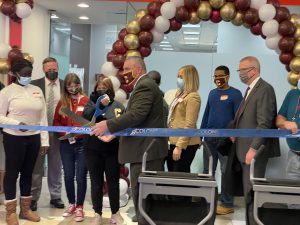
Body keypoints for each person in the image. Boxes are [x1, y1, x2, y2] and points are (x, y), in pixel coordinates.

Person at [91, 56, 168, 225]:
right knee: (145, 196)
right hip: (143, 151)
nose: (124, 73)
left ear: (139, 69)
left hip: (145, 151)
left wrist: (108, 125)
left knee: (145, 197)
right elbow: (138, 119)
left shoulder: (145, 86)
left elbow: (136, 115)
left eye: (127, 69)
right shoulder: (143, 85)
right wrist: (115, 133)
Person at [0, 58, 49, 225]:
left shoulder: (37, 90)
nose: (27, 76)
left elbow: (42, 118)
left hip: (34, 137)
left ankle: (26, 210)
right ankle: (11, 212)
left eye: (29, 73)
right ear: (15, 74)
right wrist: (16, 123)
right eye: (24, 74)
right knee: (12, 174)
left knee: (29, 173)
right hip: (13, 137)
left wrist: (44, 141)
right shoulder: (7, 92)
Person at [233, 56, 280, 225]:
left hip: (254, 153)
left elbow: (264, 123)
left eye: (241, 70)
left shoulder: (264, 89)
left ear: (252, 70)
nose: (239, 74)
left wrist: (253, 149)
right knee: (248, 195)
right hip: (242, 151)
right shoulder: (250, 90)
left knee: (253, 195)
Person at [83, 76, 126, 225]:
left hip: (112, 150)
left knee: (113, 183)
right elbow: (86, 118)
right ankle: (97, 214)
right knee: (96, 183)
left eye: (104, 87)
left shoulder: (118, 106)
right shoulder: (90, 103)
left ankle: (115, 213)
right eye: (98, 87)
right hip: (92, 149)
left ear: (110, 90)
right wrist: (98, 106)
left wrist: (114, 136)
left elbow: (123, 124)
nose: (101, 89)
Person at [200, 65, 243, 215]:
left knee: (226, 172)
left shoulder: (236, 94)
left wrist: (235, 137)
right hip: (209, 139)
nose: (218, 79)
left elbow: (238, 118)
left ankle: (227, 203)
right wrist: (201, 133)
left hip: (226, 141)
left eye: (220, 76)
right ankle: (208, 200)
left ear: (228, 76)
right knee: (207, 171)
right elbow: (206, 114)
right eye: (215, 76)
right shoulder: (212, 94)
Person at [53, 73, 89, 222]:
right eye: (70, 86)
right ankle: (71, 203)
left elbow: (91, 122)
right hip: (66, 144)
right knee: (68, 176)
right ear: (65, 87)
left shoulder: (87, 101)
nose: (73, 88)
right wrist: (65, 132)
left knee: (81, 177)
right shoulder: (62, 103)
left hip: (82, 144)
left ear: (80, 84)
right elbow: (55, 123)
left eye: (75, 85)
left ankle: (80, 206)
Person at [30, 57, 65, 211]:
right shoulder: (34, 85)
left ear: (58, 68)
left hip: (58, 132)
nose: (52, 71)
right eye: (49, 69)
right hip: (38, 132)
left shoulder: (65, 85)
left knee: (56, 166)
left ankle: (56, 196)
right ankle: (32, 198)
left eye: (54, 68)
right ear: (44, 69)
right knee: (36, 166)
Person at [167, 65, 201, 174]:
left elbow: (189, 124)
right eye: (178, 76)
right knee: (172, 174)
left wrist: (179, 146)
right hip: (173, 140)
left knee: (180, 175)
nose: (178, 79)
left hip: (186, 144)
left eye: (181, 76)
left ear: (189, 78)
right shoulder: (179, 94)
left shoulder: (193, 97)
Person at [276, 80, 300, 209]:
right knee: (293, 203)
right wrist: (285, 124)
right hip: (293, 155)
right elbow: (279, 118)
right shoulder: (293, 94)